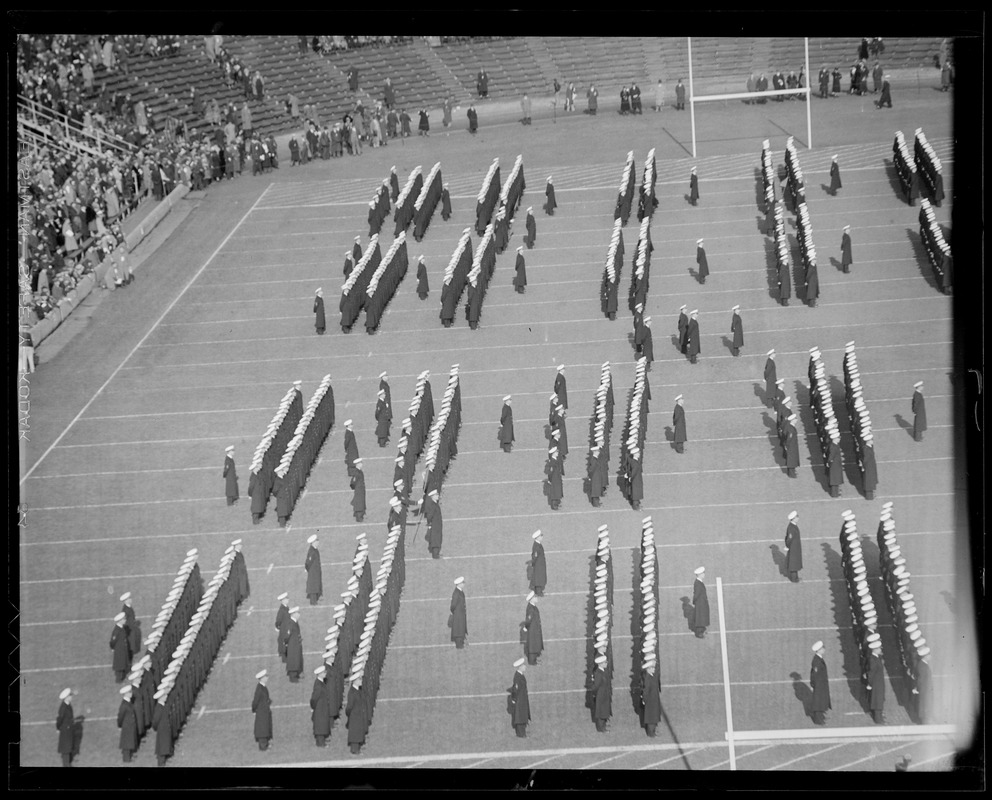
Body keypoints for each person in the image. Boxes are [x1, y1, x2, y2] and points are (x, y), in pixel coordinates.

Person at [345, 673, 368, 754]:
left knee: (358, 731)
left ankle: (357, 747)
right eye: (359, 680)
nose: (361, 681)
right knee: (355, 732)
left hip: (358, 715)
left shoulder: (357, 690)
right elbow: (349, 707)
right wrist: (350, 715)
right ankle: (354, 749)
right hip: (355, 716)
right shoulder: (352, 692)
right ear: (355, 681)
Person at [810, 641, 831, 724]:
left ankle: (821, 717)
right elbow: (815, 674)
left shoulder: (819, 658)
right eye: (822, 648)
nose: (824, 649)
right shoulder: (817, 660)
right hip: (819, 684)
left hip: (821, 683)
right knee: (818, 702)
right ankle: (818, 720)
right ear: (818, 650)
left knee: (822, 700)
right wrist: (814, 684)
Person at [508, 658, 531, 737]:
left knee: (523, 715)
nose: (525, 667)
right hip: (520, 700)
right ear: (520, 667)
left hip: (522, 698)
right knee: (520, 716)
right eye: (523, 665)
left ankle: (522, 732)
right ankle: (521, 734)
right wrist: (514, 699)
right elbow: (515, 689)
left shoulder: (520, 675)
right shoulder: (518, 677)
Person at [310, 665, 331, 746]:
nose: (325, 673)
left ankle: (322, 740)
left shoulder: (320, 682)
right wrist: (313, 707)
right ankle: (320, 742)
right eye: (324, 672)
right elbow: (314, 698)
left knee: (322, 723)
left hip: (322, 707)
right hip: (320, 708)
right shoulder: (319, 685)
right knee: (320, 724)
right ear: (320, 674)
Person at [251, 669, 272, 750]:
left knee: (264, 726)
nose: (267, 678)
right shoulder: (260, 689)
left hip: (264, 710)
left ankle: (265, 743)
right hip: (261, 711)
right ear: (262, 678)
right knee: (262, 727)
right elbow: (255, 701)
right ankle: (263, 745)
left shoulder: (262, 687)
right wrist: (254, 710)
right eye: (265, 676)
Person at [117, 685, 138, 763]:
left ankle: (128, 757)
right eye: (129, 692)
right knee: (126, 742)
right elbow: (120, 716)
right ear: (126, 694)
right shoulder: (124, 705)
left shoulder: (128, 702)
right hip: (127, 726)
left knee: (129, 741)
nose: (131, 693)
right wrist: (120, 725)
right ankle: (126, 759)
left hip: (129, 725)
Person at [283, 606, 303, 681]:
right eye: (298, 613)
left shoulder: (294, 622)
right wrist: (286, 644)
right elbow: (287, 635)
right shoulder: (291, 623)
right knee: (293, 660)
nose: (299, 614)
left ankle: (296, 674)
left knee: (296, 660)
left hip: (295, 645)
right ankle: (293, 676)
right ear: (293, 614)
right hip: (293, 646)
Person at [522, 593, 544, 664]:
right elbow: (528, 619)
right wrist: (526, 627)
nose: (537, 598)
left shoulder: (532, 606)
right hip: (533, 630)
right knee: (533, 645)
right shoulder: (531, 609)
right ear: (531, 599)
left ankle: (534, 659)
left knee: (535, 644)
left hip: (535, 629)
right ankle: (532, 661)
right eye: (535, 597)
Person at [591, 656, 611, 732]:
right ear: (601, 664)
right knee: (601, 711)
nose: (606, 663)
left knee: (604, 710)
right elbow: (596, 686)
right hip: (601, 695)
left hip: (604, 694)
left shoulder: (603, 671)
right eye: (605, 662)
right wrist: (595, 694)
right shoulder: (598, 673)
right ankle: (601, 728)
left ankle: (604, 725)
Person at [867, 644, 885, 723]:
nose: (880, 649)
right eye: (879, 648)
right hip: (876, 684)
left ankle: (880, 717)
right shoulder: (873, 659)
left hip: (879, 683)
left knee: (879, 699)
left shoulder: (877, 657)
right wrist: (870, 684)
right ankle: (878, 719)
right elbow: (872, 673)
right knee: (877, 700)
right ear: (874, 649)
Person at [110, 612, 131, 682]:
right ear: (120, 620)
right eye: (124, 619)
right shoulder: (117, 630)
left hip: (123, 649)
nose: (125, 620)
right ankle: (119, 679)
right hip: (119, 650)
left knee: (123, 662)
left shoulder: (121, 628)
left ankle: (122, 675)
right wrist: (113, 648)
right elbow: (112, 641)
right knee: (120, 663)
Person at [424, 489, 443, 559]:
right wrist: (430, 523)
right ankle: (435, 555)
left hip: (437, 524)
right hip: (435, 525)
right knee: (436, 538)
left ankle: (436, 553)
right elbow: (429, 516)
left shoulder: (434, 504)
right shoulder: (433, 505)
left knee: (437, 538)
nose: (438, 496)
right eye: (436, 495)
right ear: (433, 496)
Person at [449, 576, 467, 649]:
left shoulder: (459, 591)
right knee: (459, 629)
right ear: (459, 584)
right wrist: (455, 612)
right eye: (463, 582)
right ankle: (459, 645)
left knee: (461, 628)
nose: (464, 584)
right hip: (458, 615)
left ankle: (461, 643)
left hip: (460, 615)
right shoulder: (456, 593)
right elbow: (453, 605)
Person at [785, 511, 803, 582]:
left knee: (795, 562)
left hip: (795, 548)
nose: (798, 518)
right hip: (793, 548)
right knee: (793, 563)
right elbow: (789, 538)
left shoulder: (793, 526)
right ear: (793, 519)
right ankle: (794, 578)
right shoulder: (791, 527)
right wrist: (787, 546)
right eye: (796, 517)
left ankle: (796, 577)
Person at [692, 567, 709, 638]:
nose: (704, 574)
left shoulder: (699, 582)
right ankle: (699, 633)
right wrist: (695, 601)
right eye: (703, 573)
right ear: (700, 574)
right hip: (700, 603)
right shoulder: (698, 583)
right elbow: (696, 594)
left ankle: (702, 629)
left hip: (701, 603)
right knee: (700, 617)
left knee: (702, 617)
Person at [305, 535, 322, 605]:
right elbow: (308, 562)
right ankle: (313, 601)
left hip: (316, 571)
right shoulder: (312, 551)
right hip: (313, 571)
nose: (318, 542)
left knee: (316, 584)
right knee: (313, 585)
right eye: (316, 541)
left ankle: (316, 598)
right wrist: (307, 569)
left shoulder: (314, 549)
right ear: (313, 542)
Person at [529, 530, 547, 596]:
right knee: (539, 578)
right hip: (539, 565)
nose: (542, 537)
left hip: (540, 564)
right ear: (537, 537)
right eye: (541, 536)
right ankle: (539, 592)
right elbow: (535, 556)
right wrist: (534, 564)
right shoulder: (537, 546)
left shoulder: (538, 544)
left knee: (539, 577)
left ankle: (538, 591)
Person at [275, 592, 290, 661]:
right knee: (284, 642)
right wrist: (278, 627)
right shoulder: (282, 610)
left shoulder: (285, 607)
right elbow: (279, 620)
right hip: (284, 629)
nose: (288, 600)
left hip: (286, 628)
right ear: (283, 600)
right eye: (287, 599)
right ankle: (284, 658)